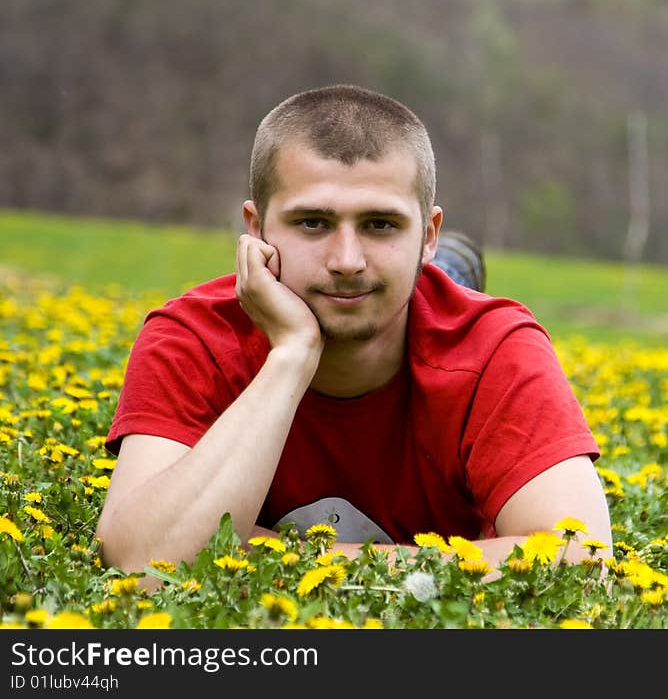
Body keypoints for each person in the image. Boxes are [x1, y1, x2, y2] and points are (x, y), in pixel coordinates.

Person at [96, 84, 612, 578]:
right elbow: (143, 564)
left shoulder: (493, 345)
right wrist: (293, 355)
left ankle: (447, 273)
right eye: (313, 224)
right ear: (256, 230)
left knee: (412, 292)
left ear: (427, 234)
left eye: (381, 225)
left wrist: (264, 553)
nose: (346, 260)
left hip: (438, 311)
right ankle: (438, 269)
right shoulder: (192, 335)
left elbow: (580, 562)